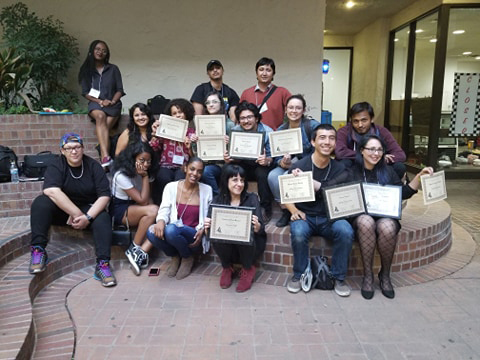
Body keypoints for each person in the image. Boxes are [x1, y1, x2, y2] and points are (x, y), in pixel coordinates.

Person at [349, 134, 433, 299]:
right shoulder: (352, 171)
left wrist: (418, 176)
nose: (376, 153)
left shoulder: (387, 171)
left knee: (386, 227)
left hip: (384, 214)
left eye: (379, 149)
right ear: (362, 151)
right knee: (366, 222)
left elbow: (402, 193)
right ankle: (368, 275)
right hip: (361, 216)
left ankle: (385, 274)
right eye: (371, 149)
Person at [29, 133, 116, 287]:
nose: (73, 151)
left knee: (103, 218)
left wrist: (87, 218)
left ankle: (102, 264)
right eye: (68, 148)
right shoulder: (57, 165)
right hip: (63, 210)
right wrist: (76, 214)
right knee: (40, 203)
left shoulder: (93, 166)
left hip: (88, 209)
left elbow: (104, 196)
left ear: (82, 148)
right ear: (62, 151)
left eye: (77, 147)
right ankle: (38, 250)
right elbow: (51, 191)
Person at [285, 124, 353, 297]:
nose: (327, 142)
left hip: (330, 217)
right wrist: (293, 210)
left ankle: (338, 278)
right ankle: (299, 275)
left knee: (345, 230)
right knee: (298, 231)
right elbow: (285, 197)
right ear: (313, 142)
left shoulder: (340, 168)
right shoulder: (299, 166)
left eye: (331, 138)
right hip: (305, 216)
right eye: (322, 138)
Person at [146, 157, 212, 280]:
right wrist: (160, 221)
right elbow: (164, 209)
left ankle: (187, 257)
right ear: (185, 168)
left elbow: (209, 216)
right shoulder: (171, 187)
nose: (195, 174)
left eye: (199, 171)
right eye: (192, 169)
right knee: (151, 233)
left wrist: (203, 229)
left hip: (193, 235)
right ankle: (175, 256)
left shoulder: (207, 190)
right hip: (174, 232)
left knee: (171, 230)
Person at [205, 164, 266, 292]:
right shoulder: (217, 201)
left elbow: (261, 230)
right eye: (235, 180)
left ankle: (248, 268)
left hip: (250, 247)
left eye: (242, 180)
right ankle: (227, 267)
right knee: (215, 232)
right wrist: (207, 227)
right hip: (228, 247)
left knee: (245, 232)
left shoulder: (252, 199)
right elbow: (209, 233)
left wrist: (257, 226)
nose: (239, 184)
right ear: (225, 181)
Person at [267, 94, 320, 227]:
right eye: (291, 107)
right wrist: (282, 162)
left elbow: (319, 151)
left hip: (308, 165)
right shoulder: (281, 130)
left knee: (286, 177)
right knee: (273, 176)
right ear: (286, 110)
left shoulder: (312, 126)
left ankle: (293, 209)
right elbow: (276, 157)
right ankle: (286, 209)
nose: (294, 111)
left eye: (298, 108)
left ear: (304, 110)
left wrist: (299, 165)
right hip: (289, 165)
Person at [111, 142, 159, 276]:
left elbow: (147, 198)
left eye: (149, 161)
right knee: (154, 211)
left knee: (157, 214)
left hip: (137, 205)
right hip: (121, 210)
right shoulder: (121, 175)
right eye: (142, 160)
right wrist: (144, 177)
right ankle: (135, 248)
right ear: (132, 159)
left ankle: (139, 252)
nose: (146, 164)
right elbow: (143, 201)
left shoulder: (147, 171)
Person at [224, 101, 274, 222]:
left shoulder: (268, 132)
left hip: (259, 165)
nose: (246, 121)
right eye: (242, 118)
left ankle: (265, 207)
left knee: (262, 173)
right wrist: (228, 158)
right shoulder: (235, 131)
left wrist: (266, 160)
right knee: (226, 169)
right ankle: (227, 203)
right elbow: (233, 156)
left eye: (249, 117)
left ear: (256, 118)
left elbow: (273, 158)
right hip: (242, 163)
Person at [78, 40, 125, 168]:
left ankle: (102, 153)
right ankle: (105, 156)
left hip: (113, 104)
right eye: (98, 49)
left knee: (104, 131)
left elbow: (120, 90)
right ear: (92, 51)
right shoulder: (86, 70)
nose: (100, 52)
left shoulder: (113, 69)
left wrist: (113, 101)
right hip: (95, 104)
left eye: (104, 51)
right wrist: (100, 101)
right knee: (100, 117)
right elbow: (85, 92)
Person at [335, 102, 407, 181]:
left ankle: (385, 189)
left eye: (364, 120)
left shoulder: (381, 131)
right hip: (355, 166)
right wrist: (366, 156)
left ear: (372, 119)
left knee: (399, 167)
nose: (360, 125)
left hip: (377, 165)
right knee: (343, 164)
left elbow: (400, 155)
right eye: (355, 121)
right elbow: (340, 152)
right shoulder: (344, 131)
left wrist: (380, 156)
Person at [150, 98, 196, 204]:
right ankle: (164, 205)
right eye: (174, 113)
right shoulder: (165, 130)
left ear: (187, 113)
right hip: (166, 165)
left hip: (183, 166)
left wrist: (189, 147)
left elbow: (194, 157)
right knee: (163, 178)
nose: (178, 115)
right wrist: (155, 134)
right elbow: (155, 147)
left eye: (180, 112)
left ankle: (178, 207)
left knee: (179, 180)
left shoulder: (192, 133)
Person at [239, 57, 291, 130]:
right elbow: (239, 116)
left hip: (273, 136)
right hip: (250, 136)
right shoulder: (246, 93)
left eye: (268, 70)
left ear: (273, 74)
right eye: (261, 70)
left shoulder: (282, 92)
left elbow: (293, 112)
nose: (264, 73)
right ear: (256, 73)